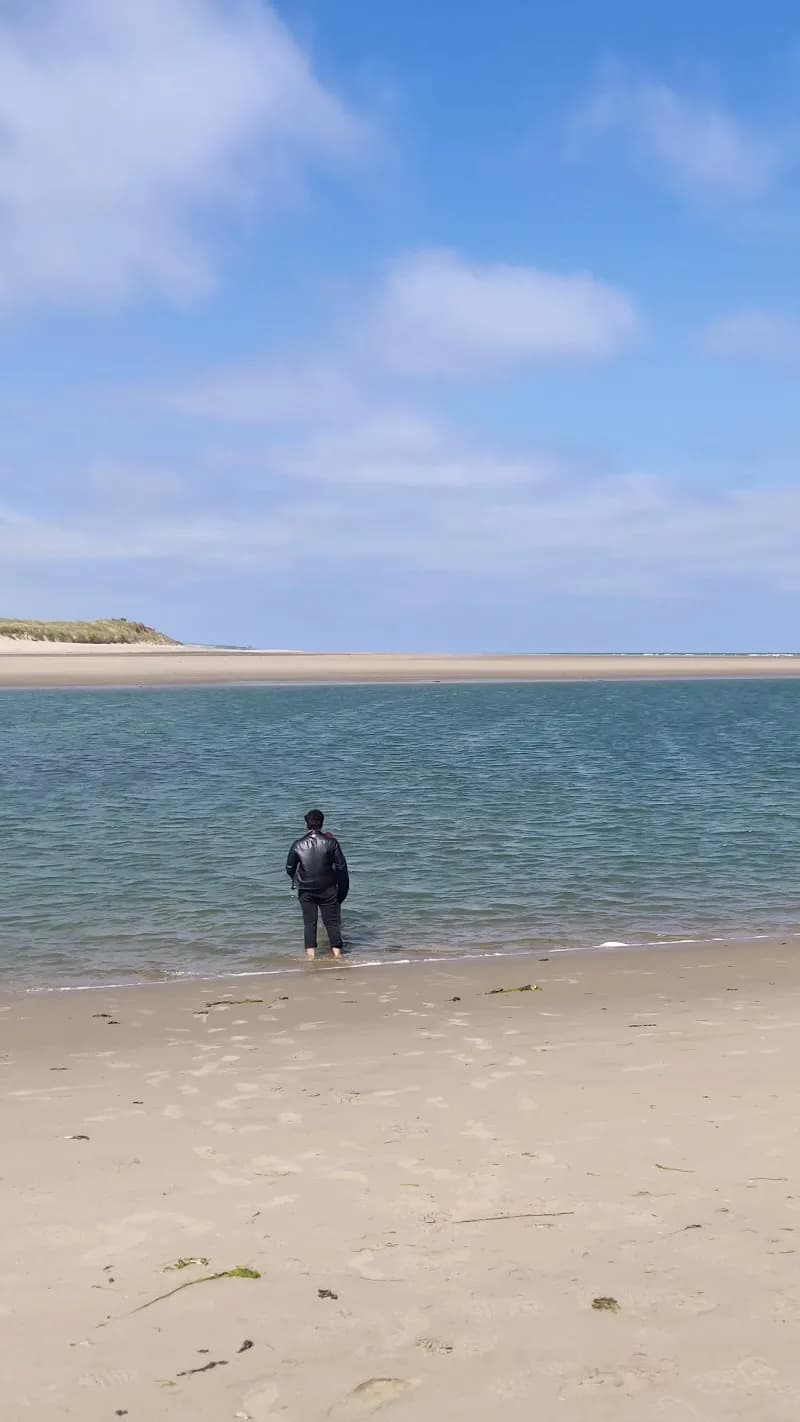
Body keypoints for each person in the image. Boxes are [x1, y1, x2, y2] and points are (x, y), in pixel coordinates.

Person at [286, 810, 349, 960]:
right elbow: (341, 866)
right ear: (322, 823)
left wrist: (298, 879)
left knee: (309, 923)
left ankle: (311, 957)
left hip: (306, 890)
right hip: (328, 888)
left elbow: (289, 868)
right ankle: (337, 954)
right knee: (332, 923)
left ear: (306, 824)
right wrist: (340, 886)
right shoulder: (331, 842)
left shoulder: (298, 844)